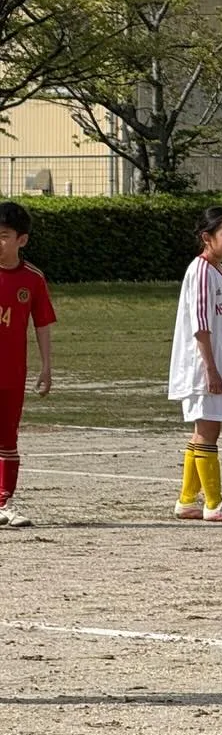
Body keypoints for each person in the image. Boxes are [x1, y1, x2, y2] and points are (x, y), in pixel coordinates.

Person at [169, 206, 222, 523]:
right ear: (207, 237)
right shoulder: (201, 271)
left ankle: (187, 500)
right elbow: (200, 324)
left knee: (202, 431)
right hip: (202, 365)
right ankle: (214, 503)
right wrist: (210, 368)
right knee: (208, 430)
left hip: (215, 361)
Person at [0, 202, 55, 529]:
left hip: (11, 373)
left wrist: (46, 366)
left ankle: (5, 501)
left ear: (22, 240)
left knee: (7, 437)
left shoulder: (32, 279)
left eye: (3, 236)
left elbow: (42, 324)